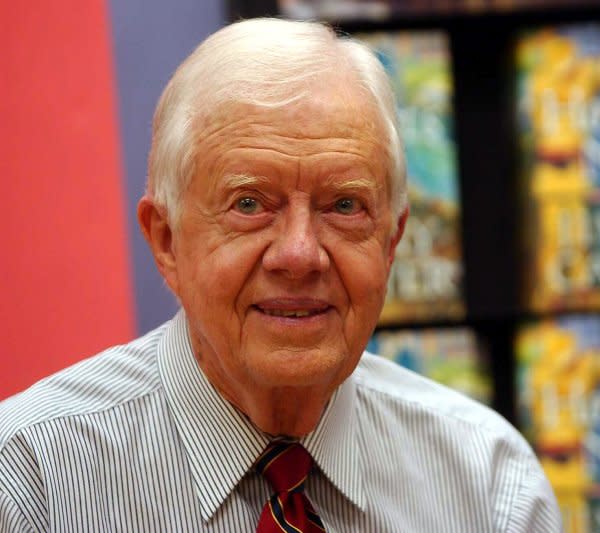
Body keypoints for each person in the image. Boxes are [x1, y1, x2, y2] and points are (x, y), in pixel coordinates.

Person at [0, 18, 560, 532]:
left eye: (344, 206)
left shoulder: (488, 486)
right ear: (166, 241)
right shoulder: (31, 485)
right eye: (249, 204)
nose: (299, 254)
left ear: (391, 241)